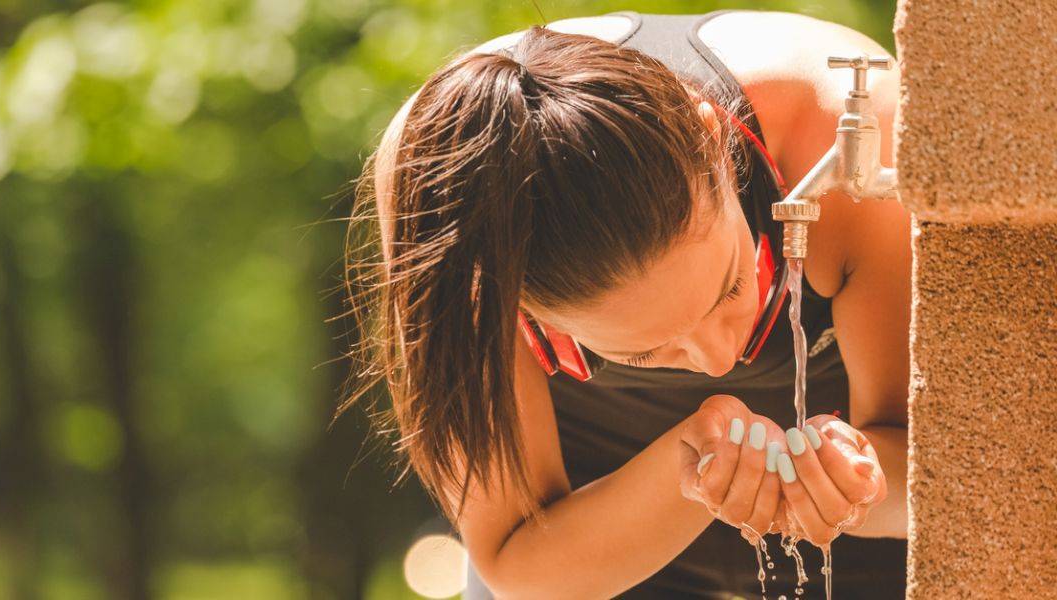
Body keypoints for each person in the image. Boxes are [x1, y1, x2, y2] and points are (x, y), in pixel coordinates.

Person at [342, 8, 910, 598]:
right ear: (515, 304)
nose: (719, 363)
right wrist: (686, 472)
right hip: (588, 529)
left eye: (734, 286)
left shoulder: (849, 134)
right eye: (641, 353)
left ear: (714, 135)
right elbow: (515, 560)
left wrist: (858, 480)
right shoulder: (449, 203)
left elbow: (938, 467)